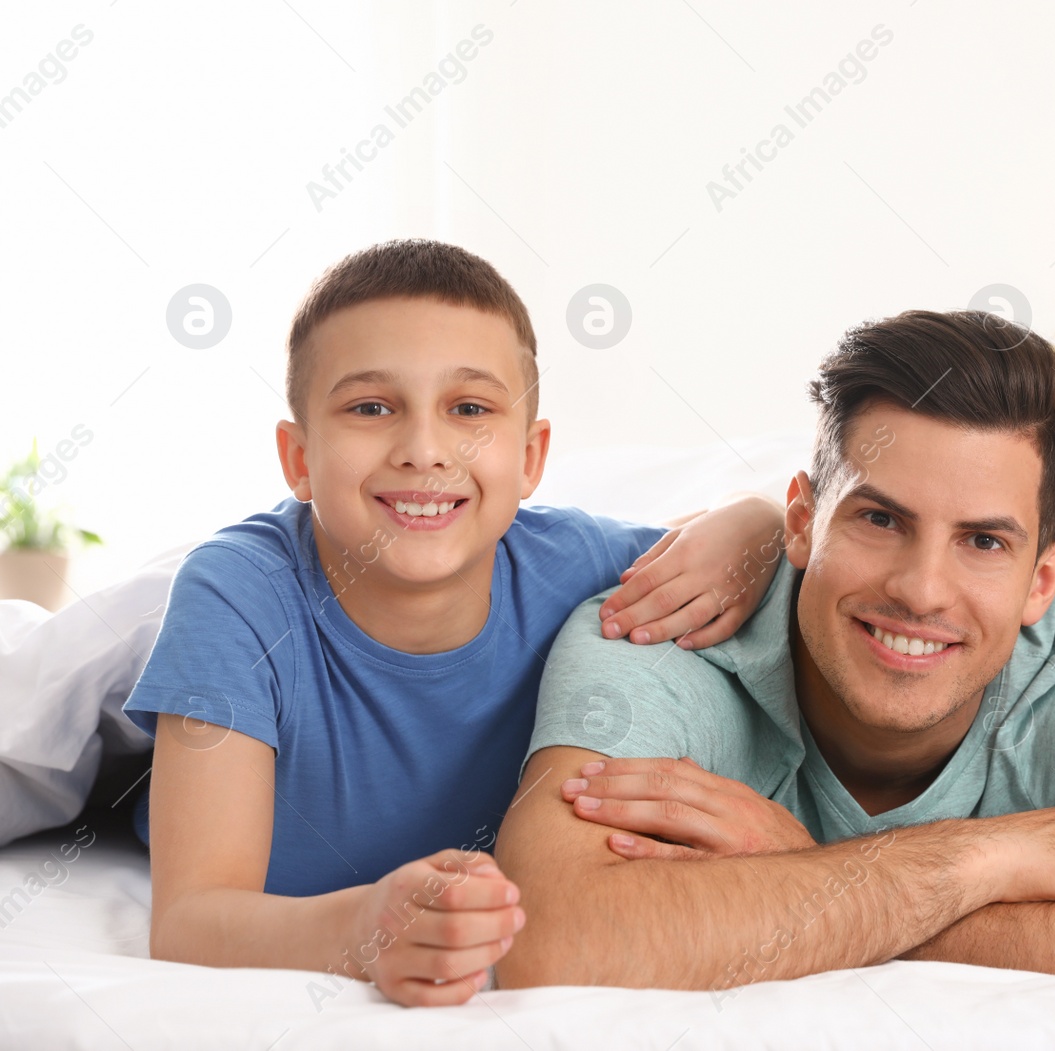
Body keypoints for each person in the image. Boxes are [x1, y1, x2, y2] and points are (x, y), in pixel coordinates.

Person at [494, 309, 1055, 995]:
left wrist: (822, 882)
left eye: (982, 540)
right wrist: (997, 857)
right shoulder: (662, 633)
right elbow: (553, 935)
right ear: (800, 520)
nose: (922, 589)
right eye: (879, 518)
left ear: (1046, 580)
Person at [121, 239, 783, 1006]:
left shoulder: (576, 564)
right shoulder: (239, 594)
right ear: (298, 457)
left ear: (532, 456)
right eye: (372, 407)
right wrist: (363, 930)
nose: (424, 450)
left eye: (469, 409)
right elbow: (188, 922)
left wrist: (755, 520)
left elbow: (698, 550)